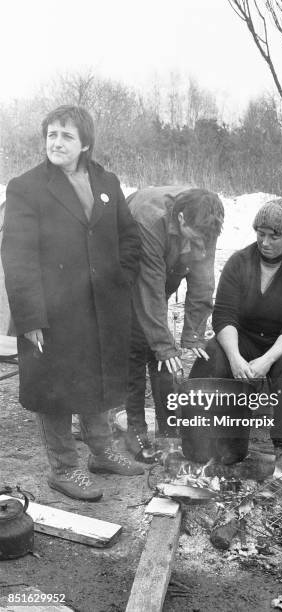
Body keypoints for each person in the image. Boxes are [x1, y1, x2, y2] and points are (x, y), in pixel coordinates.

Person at [1, 105, 144, 502]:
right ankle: (64, 469)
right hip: (51, 312)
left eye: (66, 135)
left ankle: (101, 454)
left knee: (96, 379)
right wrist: (30, 317)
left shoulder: (106, 181)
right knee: (55, 389)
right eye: (51, 134)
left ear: (85, 144)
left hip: (100, 308)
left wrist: (121, 279)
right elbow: (17, 256)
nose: (56, 142)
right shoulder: (26, 187)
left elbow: (129, 238)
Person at [190, 197, 282, 469]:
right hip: (246, 336)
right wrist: (235, 357)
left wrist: (267, 360)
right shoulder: (239, 262)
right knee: (212, 356)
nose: (265, 242)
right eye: (260, 234)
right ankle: (207, 439)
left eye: (274, 237)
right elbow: (224, 314)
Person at [124, 186, 224, 461]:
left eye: (206, 240)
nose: (200, 247)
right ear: (180, 219)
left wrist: (192, 335)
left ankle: (168, 429)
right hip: (127, 279)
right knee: (137, 348)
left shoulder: (205, 224)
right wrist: (164, 346)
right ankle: (135, 428)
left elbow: (203, 282)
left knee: (164, 356)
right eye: (195, 239)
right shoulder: (149, 219)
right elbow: (149, 290)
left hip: (160, 278)